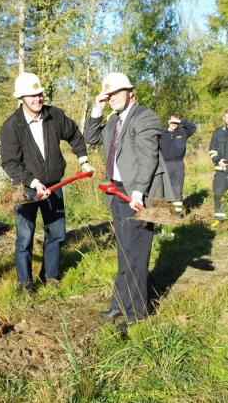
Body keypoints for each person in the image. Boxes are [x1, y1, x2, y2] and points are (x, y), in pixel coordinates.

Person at [84, 72, 172, 323]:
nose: (111, 98)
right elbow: (91, 138)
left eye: (116, 93)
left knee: (137, 254)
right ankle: (119, 304)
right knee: (124, 252)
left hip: (139, 195)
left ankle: (138, 312)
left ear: (130, 92)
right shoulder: (113, 120)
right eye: (108, 94)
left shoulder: (145, 117)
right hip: (117, 192)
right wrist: (97, 110)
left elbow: (148, 158)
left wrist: (137, 193)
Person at [0, 72, 94, 291]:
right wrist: (33, 182)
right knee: (25, 237)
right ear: (21, 98)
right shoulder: (11, 126)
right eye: (31, 95)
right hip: (27, 190)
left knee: (57, 234)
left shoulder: (55, 116)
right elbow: (10, 163)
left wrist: (83, 160)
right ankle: (25, 282)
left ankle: (50, 275)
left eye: (39, 94)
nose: (37, 99)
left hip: (55, 186)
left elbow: (75, 135)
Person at [159, 114, 196, 215]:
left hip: (179, 164)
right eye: (172, 122)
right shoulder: (161, 133)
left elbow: (193, 127)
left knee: (178, 188)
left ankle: (178, 213)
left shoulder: (183, 132)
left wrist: (181, 121)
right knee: (165, 187)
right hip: (165, 164)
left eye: (176, 122)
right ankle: (166, 211)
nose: (174, 124)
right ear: (168, 122)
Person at [209, 109, 228, 222]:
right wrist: (217, 160)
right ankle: (220, 219)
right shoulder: (217, 132)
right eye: (227, 117)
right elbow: (212, 150)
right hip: (221, 170)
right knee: (218, 194)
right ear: (224, 118)